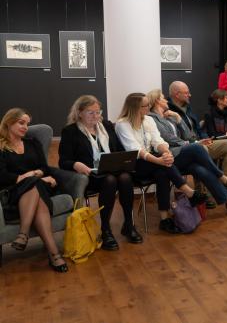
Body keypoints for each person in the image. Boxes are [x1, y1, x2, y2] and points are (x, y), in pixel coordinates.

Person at [115, 93, 207, 234]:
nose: (148, 107)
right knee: (162, 165)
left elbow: (157, 141)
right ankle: (188, 192)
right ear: (135, 108)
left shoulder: (148, 120)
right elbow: (135, 150)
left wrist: (166, 153)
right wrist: (159, 160)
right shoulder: (122, 124)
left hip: (152, 162)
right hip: (134, 164)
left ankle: (164, 219)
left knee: (162, 172)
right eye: (145, 106)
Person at [59, 95, 142, 250]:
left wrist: (123, 160)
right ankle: (105, 229)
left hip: (111, 170)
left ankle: (129, 224)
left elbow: (119, 150)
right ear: (79, 113)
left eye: (98, 112)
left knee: (125, 177)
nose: (95, 116)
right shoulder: (70, 131)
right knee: (109, 180)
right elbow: (63, 161)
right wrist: (76, 164)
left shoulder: (106, 126)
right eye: (90, 112)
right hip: (89, 175)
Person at [147, 89, 227, 216]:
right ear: (157, 101)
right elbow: (168, 138)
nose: (166, 100)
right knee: (197, 148)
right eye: (163, 98)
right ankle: (222, 177)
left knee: (202, 170)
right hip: (170, 157)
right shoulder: (152, 118)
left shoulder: (169, 116)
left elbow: (188, 135)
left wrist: (178, 118)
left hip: (183, 154)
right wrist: (191, 144)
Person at [0, 108, 68, 272]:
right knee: (34, 187)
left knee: (34, 184)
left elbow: (44, 168)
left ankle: (23, 234)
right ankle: (54, 254)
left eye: (27, 124)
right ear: (9, 123)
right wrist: (29, 176)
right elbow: (2, 176)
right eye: (21, 123)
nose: (25, 127)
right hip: (13, 191)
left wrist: (36, 176)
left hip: (40, 185)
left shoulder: (32, 143)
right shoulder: (1, 147)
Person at [167, 81, 227, 198]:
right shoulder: (167, 111)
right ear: (177, 94)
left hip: (199, 141)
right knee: (200, 149)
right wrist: (196, 142)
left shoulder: (187, 107)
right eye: (186, 93)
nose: (190, 95)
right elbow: (174, 137)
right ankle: (204, 193)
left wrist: (205, 138)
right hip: (186, 147)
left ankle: (226, 187)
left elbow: (198, 128)